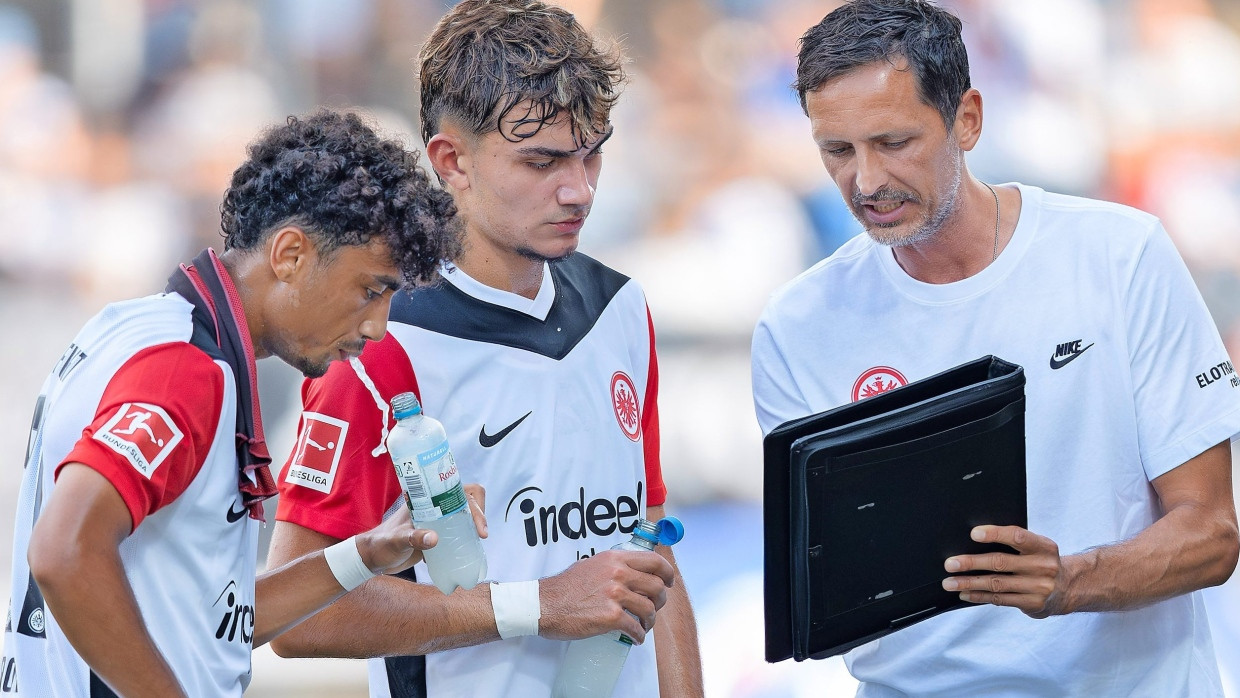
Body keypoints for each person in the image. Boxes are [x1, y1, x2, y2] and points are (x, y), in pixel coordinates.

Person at [751, 1, 1240, 696]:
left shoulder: (1121, 255)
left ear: (969, 119)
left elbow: (1212, 532)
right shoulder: (796, 324)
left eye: (893, 142)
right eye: (837, 150)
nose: (865, 181)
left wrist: (1069, 581)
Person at [265, 1, 703, 696]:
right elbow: (292, 615)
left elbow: (650, 552)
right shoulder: (380, 346)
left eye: (592, 154)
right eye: (542, 161)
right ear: (452, 160)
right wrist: (540, 605)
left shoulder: (622, 307)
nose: (578, 188)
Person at [3, 109, 474, 697]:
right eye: (370, 290)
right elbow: (63, 552)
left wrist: (366, 555)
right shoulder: (187, 372)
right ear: (290, 255)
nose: (378, 326)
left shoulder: (137, 326)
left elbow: (208, 626)